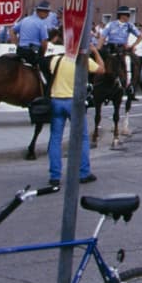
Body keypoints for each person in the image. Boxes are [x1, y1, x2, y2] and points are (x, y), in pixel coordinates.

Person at [46, 37, 103, 187]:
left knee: (55, 139)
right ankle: (84, 172)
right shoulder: (83, 60)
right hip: (74, 101)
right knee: (82, 137)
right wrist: (95, 51)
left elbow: (49, 70)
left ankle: (55, 175)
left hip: (56, 99)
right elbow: (101, 69)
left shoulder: (56, 60)